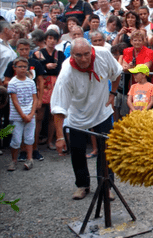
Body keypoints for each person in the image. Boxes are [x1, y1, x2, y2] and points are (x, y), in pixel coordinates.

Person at [51, 38, 122, 200]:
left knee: (107, 151)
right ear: (72, 55)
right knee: (77, 151)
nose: (83, 59)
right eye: (78, 55)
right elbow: (58, 107)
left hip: (102, 110)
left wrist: (113, 93)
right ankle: (82, 185)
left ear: (91, 51)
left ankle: (106, 186)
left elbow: (116, 73)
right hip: (77, 114)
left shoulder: (103, 54)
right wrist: (60, 137)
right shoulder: (66, 72)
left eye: (86, 54)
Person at [4, 38, 45, 161]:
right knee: (19, 125)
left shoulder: (36, 63)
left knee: (35, 123)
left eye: (26, 49)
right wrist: (17, 82)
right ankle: (21, 151)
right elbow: (6, 80)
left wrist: (39, 99)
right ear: (17, 50)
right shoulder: (13, 64)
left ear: (30, 50)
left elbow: (40, 81)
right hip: (18, 99)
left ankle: (34, 148)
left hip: (32, 98)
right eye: (21, 49)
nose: (24, 51)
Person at [33, 29, 66, 151]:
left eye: (54, 39)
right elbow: (34, 68)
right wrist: (45, 67)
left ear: (57, 41)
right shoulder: (38, 53)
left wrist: (47, 67)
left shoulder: (60, 54)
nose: (52, 41)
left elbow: (61, 69)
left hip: (56, 83)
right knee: (39, 115)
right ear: (45, 40)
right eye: (49, 38)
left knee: (54, 114)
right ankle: (34, 143)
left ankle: (50, 140)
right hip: (42, 84)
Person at [7, 57, 37, 171]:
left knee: (29, 138)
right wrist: (23, 116)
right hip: (17, 116)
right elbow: (14, 101)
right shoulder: (12, 83)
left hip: (30, 114)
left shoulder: (31, 82)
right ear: (14, 68)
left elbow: (35, 99)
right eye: (20, 66)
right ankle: (13, 160)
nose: (23, 69)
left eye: (25, 67)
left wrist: (31, 114)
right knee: (16, 139)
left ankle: (30, 159)